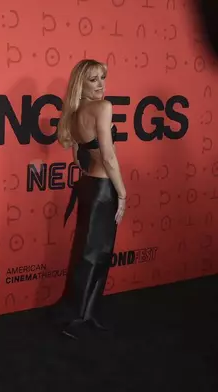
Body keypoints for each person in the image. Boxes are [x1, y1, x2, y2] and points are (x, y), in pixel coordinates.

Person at [55, 59, 127, 340]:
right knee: (97, 255)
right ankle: (80, 318)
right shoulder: (103, 107)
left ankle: (83, 313)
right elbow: (109, 156)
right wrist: (121, 192)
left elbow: (77, 158)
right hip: (104, 188)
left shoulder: (73, 113)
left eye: (102, 78)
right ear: (81, 84)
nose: (101, 85)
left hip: (87, 185)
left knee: (87, 254)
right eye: (93, 79)